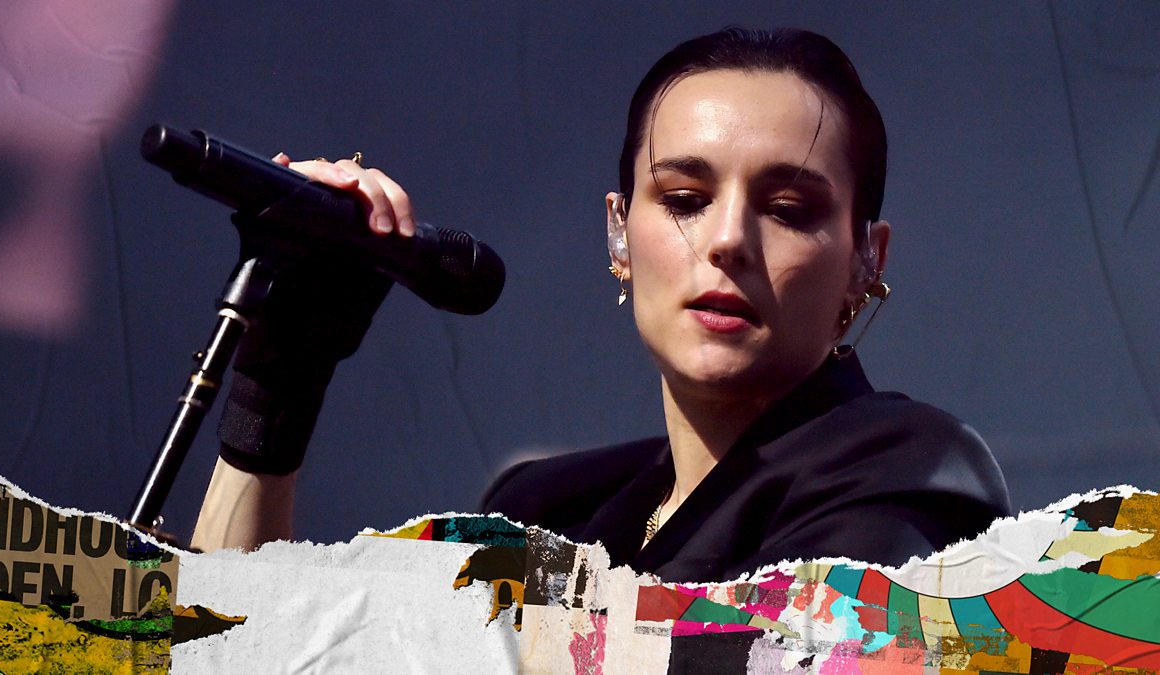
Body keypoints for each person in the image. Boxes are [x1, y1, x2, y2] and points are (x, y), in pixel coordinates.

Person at [191, 27, 1011, 583]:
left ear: (867, 260)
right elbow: (227, 651)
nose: (729, 240)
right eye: (685, 198)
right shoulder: (540, 507)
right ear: (620, 233)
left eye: (789, 209)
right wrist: (276, 387)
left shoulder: (913, 472)